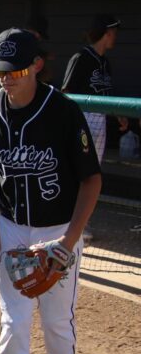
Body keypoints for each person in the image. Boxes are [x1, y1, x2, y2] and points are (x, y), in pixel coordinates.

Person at [0, 28, 101, 354]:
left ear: (38, 66)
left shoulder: (63, 111)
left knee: (55, 319)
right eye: (0, 72)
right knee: (14, 322)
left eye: (16, 70)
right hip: (11, 228)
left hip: (56, 231)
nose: (7, 79)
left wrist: (69, 241)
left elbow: (91, 179)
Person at [61, 14, 119, 243]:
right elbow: (66, 92)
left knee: (92, 173)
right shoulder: (81, 58)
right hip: (83, 119)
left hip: (100, 120)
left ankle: (81, 221)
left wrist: (118, 115)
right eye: (113, 32)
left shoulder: (105, 62)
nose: (115, 37)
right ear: (106, 33)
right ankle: (71, 223)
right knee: (79, 171)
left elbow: (106, 94)